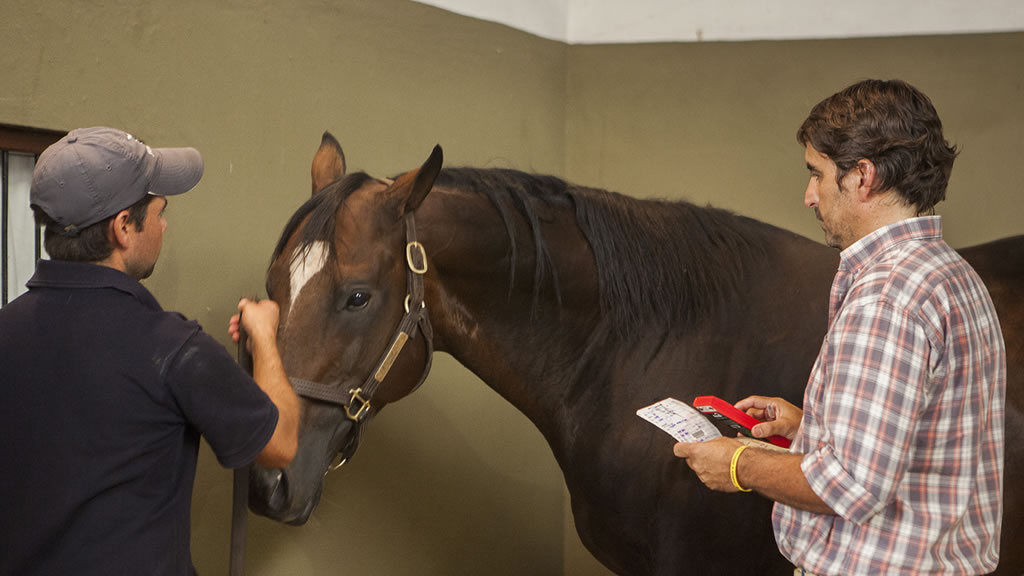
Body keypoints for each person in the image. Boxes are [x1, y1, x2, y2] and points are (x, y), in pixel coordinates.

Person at [673, 79, 1006, 575]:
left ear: (863, 177)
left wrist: (739, 465)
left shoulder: (886, 297)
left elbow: (852, 485)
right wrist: (812, 426)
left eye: (817, 174)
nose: (809, 195)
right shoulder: (948, 273)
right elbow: (923, 443)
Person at [0, 126, 299, 575]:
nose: (163, 224)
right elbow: (280, 445)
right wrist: (266, 340)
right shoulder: (172, 348)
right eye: (160, 211)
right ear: (123, 227)